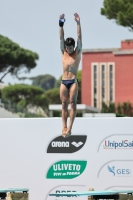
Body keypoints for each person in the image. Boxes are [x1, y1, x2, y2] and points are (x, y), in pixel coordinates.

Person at [59, 13, 82, 137]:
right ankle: (64, 127)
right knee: (64, 104)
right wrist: (61, 23)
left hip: (73, 81)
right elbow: (61, 37)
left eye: (70, 47)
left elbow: (79, 36)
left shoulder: (77, 52)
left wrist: (78, 23)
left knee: (73, 103)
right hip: (64, 81)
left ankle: (70, 128)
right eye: (67, 47)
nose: (68, 49)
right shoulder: (64, 52)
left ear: (74, 47)